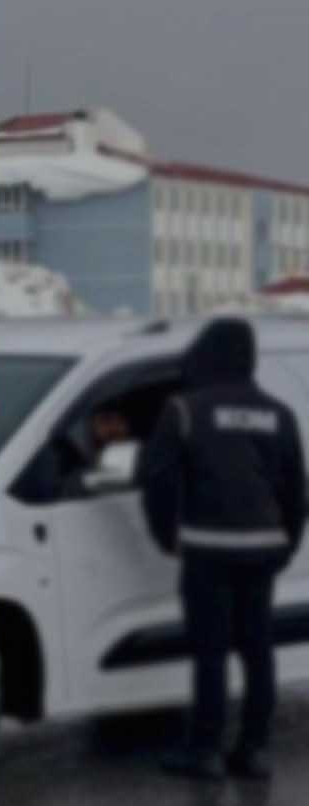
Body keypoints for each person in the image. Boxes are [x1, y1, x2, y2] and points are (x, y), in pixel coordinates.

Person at [137, 318, 304, 780]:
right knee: (257, 649)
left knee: (210, 652)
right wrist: (286, 541)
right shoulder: (278, 413)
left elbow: (158, 478)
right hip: (263, 548)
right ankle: (254, 751)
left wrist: (165, 533)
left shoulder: (186, 410)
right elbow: (295, 488)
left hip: (208, 550)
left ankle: (205, 751)